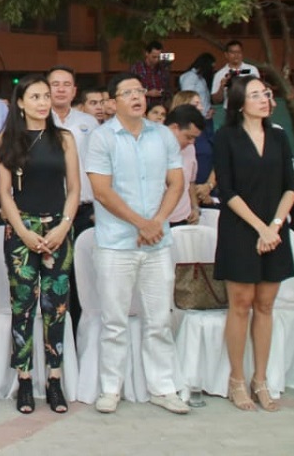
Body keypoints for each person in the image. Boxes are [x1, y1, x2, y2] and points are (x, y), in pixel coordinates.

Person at [85, 72, 188, 415]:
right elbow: (102, 190)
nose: (137, 97)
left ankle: (162, 388)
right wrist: (140, 223)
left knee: (159, 319)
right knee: (114, 321)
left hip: (157, 242)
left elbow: (176, 183)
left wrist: (156, 222)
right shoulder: (101, 138)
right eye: (127, 92)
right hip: (116, 244)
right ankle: (111, 388)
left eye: (140, 91)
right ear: (113, 102)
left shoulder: (163, 136)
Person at [0, 75, 80, 414]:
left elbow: (73, 188)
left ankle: (55, 380)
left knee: (56, 305)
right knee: (23, 307)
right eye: (35, 97)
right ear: (20, 103)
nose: (43, 102)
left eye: (46, 96)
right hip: (21, 230)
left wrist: (63, 226)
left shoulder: (65, 139)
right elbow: (4, 193)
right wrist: (23, 231)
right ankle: (25, 380)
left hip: (59, 226)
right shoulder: (7, 140)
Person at [213, 77, 294, 411]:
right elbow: (227, 190)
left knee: (265, 305)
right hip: (240, 228)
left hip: (275, 229)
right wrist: (259, 228)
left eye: (265, 93)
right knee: (241, 304)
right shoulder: (226, 137)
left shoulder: (278, 136)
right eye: (255, 95)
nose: (263, 99)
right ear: (238, 102)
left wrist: (274, 226)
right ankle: (236, 378)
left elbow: (290, 186)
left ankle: (260, 378)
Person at [45, 66, 100, 332]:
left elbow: (99, 168)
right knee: (54, 277)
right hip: (50, 210)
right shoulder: (38, 120)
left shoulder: (89, 122)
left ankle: (79, 336)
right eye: (55, 84)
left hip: (84, 211)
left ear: (74, 90)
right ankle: (55, 336)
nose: (61, 89)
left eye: (66, 84)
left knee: (82, 279)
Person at [164, 104, 205, 227]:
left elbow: (190, 182)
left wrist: (195, 207)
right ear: (174, 128)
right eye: (188, 137)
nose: (192, 142)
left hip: (183, 219)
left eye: (194, 138)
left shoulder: (190, 149)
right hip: (157, 222)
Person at [211, 41, 259, 105]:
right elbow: (216, 100)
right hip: (230, 111)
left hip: (250, 108)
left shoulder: (252, 70)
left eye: (239, 52)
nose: (236, 55)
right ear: (226, 54)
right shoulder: (219, 74)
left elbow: (259, 91)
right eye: (233, 52)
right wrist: (221, 87)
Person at [130, 41, 171, 108]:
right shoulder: (137, 68)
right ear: (147, 53)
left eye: (159, 57)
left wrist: (162, 93)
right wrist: (147, 93)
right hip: (142, 106)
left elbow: (168, 89)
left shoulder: (163, 69)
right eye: (154, 57)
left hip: (160, 106)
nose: (157, 60)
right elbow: (130, 88)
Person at [179, 52, 216, 118]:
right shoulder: (190, 77)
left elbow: (204, 98)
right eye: (211, 68)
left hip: (205, 115)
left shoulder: (201, 78)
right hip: (197, 117)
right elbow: (188, 98)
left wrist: (209, 109)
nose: (212, 70)